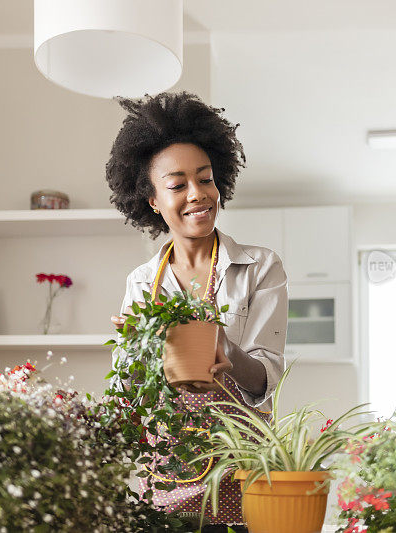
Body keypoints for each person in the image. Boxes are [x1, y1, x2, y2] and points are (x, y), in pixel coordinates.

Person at [106, 92, 288, 532]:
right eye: (177, 185)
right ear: (152, 200)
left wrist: (224, 347)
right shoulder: (141, 283)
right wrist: (133, 348)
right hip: (169, 477)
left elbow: (267, 378)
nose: (197, 195)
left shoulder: (260, 267)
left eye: (206, 179)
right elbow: (129, 393)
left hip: (243, 469)